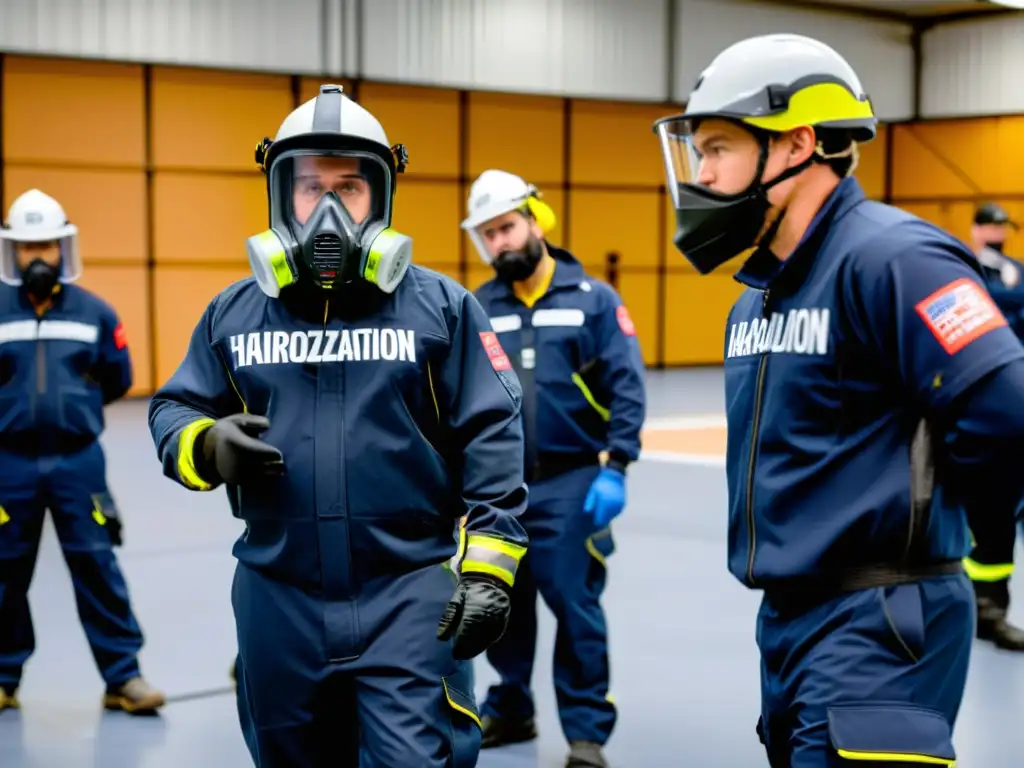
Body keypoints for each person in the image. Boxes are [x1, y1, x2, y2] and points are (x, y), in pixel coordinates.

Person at [652, 33, 1024, 766]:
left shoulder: (894, 258)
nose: (701, 175)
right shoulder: (759, 298)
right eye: (697, 153)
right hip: (791, 622)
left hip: (882, 619)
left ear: (795, 146)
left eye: (717, 148)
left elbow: (1006, 410)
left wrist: (948, 528)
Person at [147, 84, 529, 767]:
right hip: (277, 595)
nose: (327, 210)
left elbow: (492, 432)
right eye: (309, 187)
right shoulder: (233, 315)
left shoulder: (442, 310)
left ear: (380, 196)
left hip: (408, 594)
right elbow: (173, 408)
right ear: (280, 195)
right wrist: (207, 446)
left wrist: (490, 570)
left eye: (349, 188)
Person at [461, 170, 646, 768]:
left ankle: (586, 733)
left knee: (575, 605)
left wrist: (616, 466)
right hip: (499, 489)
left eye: (507, 227)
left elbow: (627, 387)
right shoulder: (477, 309)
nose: (500, 244)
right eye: (487, 235)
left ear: (536, 221)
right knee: (500, 605)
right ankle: (511, 707)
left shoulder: (593, 300)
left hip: (572, 482)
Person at [0, 189, 164, 715]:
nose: (39, 256)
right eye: (28, 247)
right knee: (4, 571)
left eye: (46, 243)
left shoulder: (96, 313)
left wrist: (72, 414)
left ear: (62, 246)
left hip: (78, 463)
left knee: (97, 565)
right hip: (9, 465)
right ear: (13, 252)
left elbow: (119, 377)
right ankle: (3, 679)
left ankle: (124, 677)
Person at [965, 201, 1024, 650]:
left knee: (1001, 511)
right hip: (975, 399)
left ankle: (990, 609)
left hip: (1015, 399)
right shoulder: (963, 269)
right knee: (970, 509)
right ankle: (961, 607)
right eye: (990, 226)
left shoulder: (1013, 270)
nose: (997, 233)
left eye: (1003, 227)